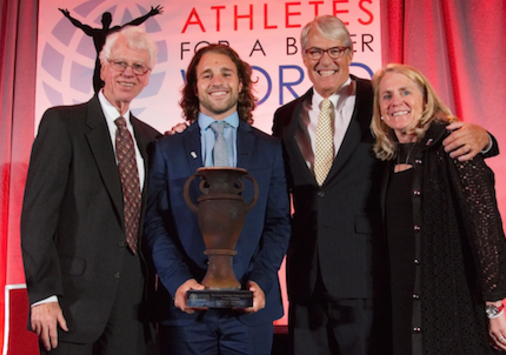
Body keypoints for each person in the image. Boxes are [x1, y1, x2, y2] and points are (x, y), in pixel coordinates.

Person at [272, 15, 497, 354]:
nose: (325, 60)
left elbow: (426, 131)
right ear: (303, 56)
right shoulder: (285, 116)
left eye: (335, 50)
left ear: (350, 52)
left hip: (367, 274)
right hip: (306, 279)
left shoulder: (379, 99)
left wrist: (485, 138)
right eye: (315, 51)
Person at [21, 26, 161, 354]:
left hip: (133, 305)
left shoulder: (153, 141)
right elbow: (37, 218)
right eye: (120, 63)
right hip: (70, 303)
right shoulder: (62, 124)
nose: (129, 73)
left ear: (148, 75)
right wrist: (43, 295)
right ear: (103, 67)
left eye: (139, 66)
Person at [143, 43, 291, 355]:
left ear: (240, 84)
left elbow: (278, 223)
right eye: (207, 74)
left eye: (226, 73)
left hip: (251, 312)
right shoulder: (167, 150)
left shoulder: (270, 149)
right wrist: (179, 282)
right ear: (194, 88)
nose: (217, 81)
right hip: (184, 312)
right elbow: (155, 223)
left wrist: (260, 283)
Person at [371, 63, 506, 354]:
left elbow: (485, 226)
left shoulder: (454, 143)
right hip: (401, 303)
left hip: (452, 301)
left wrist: (494, 307)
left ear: (425, 100)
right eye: (386, 96)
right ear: (379, 109)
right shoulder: (386, 158)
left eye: (405, 92)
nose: (396, 102)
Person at [59, 5, 163, 93]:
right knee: (98, 91)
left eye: (108, 19)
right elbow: (80, 25)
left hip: (112, 66)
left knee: (112, 92)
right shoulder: (97, 33)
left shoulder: (114, 31)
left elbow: (133, 24)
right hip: (100, 65)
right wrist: (68, 16)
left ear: (111, 20)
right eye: (105, 19)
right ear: (102, 20)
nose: (106, 21)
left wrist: (149, 14)